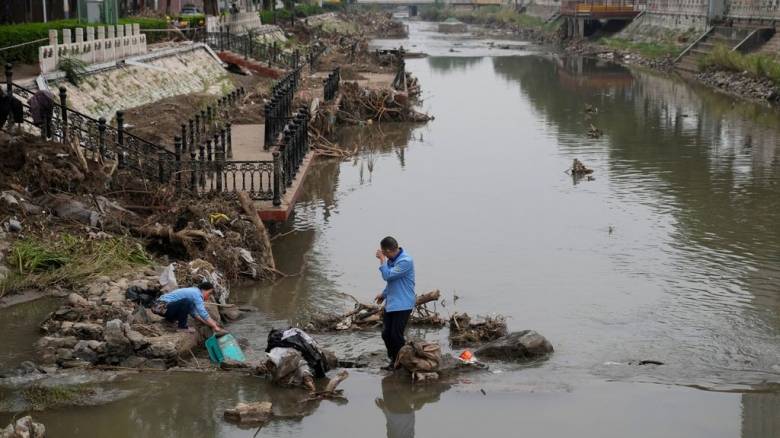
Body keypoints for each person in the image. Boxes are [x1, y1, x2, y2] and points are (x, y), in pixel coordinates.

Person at [374, 236, 416, 370]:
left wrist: (382, 260)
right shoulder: (393, 260)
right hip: (392, 303)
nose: (383, 255)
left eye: (384, 252)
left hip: (403, 304)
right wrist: (384, 294)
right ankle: (393, 360)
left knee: (396, 336)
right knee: (386, 334)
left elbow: (388, 276)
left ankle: (401, 362)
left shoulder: (405, 261)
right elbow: (392, 281)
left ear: (387, 250)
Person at [152, 281, 224, 333]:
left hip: (164, 308)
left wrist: (208, 324)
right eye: (209, 293)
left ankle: (169, 320)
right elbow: (203, 312)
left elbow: (194, 313)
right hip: (160, 306)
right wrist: (215, 326)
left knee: (187, 304)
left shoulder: (194, 293)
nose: (209, 295)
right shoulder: (196, 293)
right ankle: (182, 327)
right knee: (186, 301)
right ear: (203, 290)